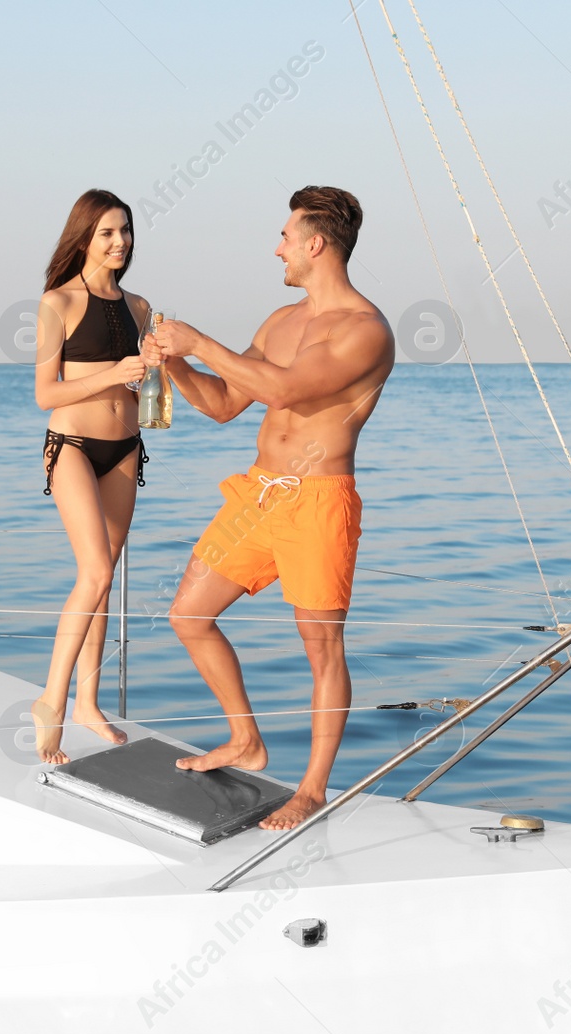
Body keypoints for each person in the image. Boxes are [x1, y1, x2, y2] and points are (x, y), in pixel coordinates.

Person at [143, 186, 394, 829]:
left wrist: (197, 339)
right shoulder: (280, 322)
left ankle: (313, 788)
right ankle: (246, 740)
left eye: (285, 236)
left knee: (321, 649)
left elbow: (285, 388)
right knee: (189, 614)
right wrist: (172, 363)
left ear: (316, 244)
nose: (277, 247)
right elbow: (224, 404)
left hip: (318, 501)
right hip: (257, 493)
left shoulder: (366, 331)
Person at [30, 189, 152, 763]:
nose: (119, 242)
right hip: (73, 446)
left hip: (126, 447)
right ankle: (50, 703)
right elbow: (44, 393)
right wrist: (113, 375)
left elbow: (142, 381)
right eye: (106, 232)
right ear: (84, 236)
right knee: (96, 571)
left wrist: (153, 381)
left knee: (105, 580)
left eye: (125, 231)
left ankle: (88, 703)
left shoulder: (141, 308)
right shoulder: (57, 303)